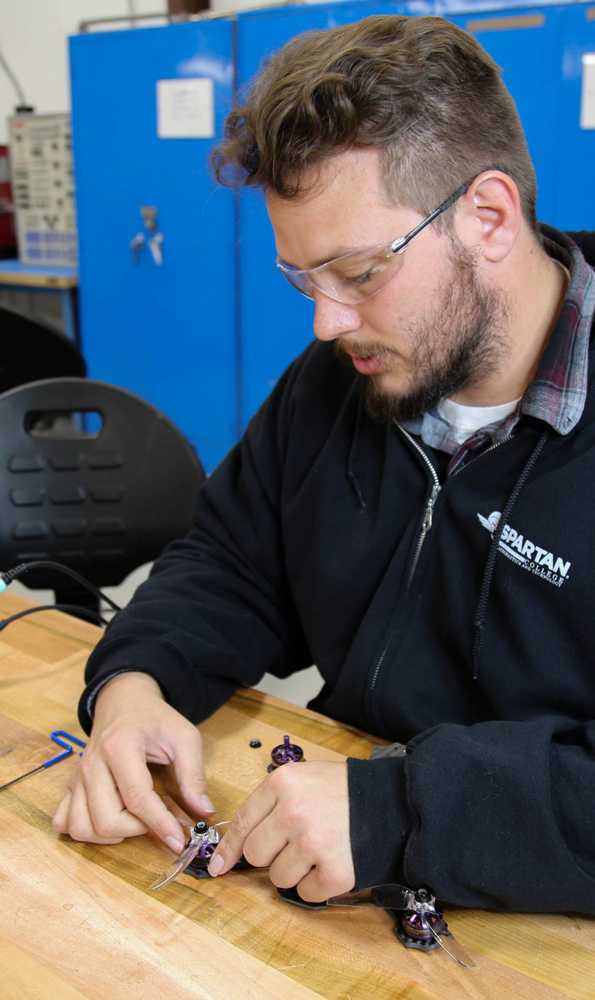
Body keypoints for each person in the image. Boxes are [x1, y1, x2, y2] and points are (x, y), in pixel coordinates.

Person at [53, 14, 595, 913]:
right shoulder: (340, 381)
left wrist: (401, 813)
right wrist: (138, 682)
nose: (326, 323)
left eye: (357, 272)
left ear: (489, 216)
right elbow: (232, 562)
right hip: (344, 890)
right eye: (304, 280)